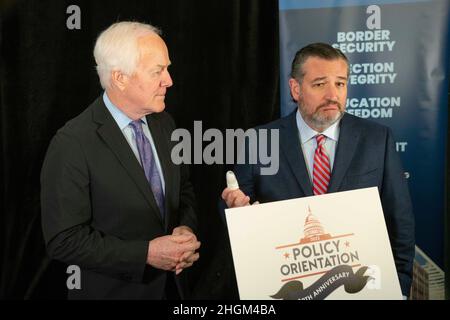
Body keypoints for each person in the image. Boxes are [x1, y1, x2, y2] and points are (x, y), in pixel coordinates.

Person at [221, 43, 415, 298]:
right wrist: (234, 210)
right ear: (295, 88)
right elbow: (237, 212)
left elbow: (399, 220)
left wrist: (399, 287)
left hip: (361, 289)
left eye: (341, 84)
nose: (333, 95)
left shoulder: (377, 139)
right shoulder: (260, 141)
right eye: (320, 84)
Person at [41, 21, 200, 300]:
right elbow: (63, 240)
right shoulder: (72, 143)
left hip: (172, 291)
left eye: (167, 68)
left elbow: (183, 191)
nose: (169, 80)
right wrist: (147, 254)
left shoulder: (165, 124)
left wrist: (185, 230)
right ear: (120, 78)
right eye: (157, 71)